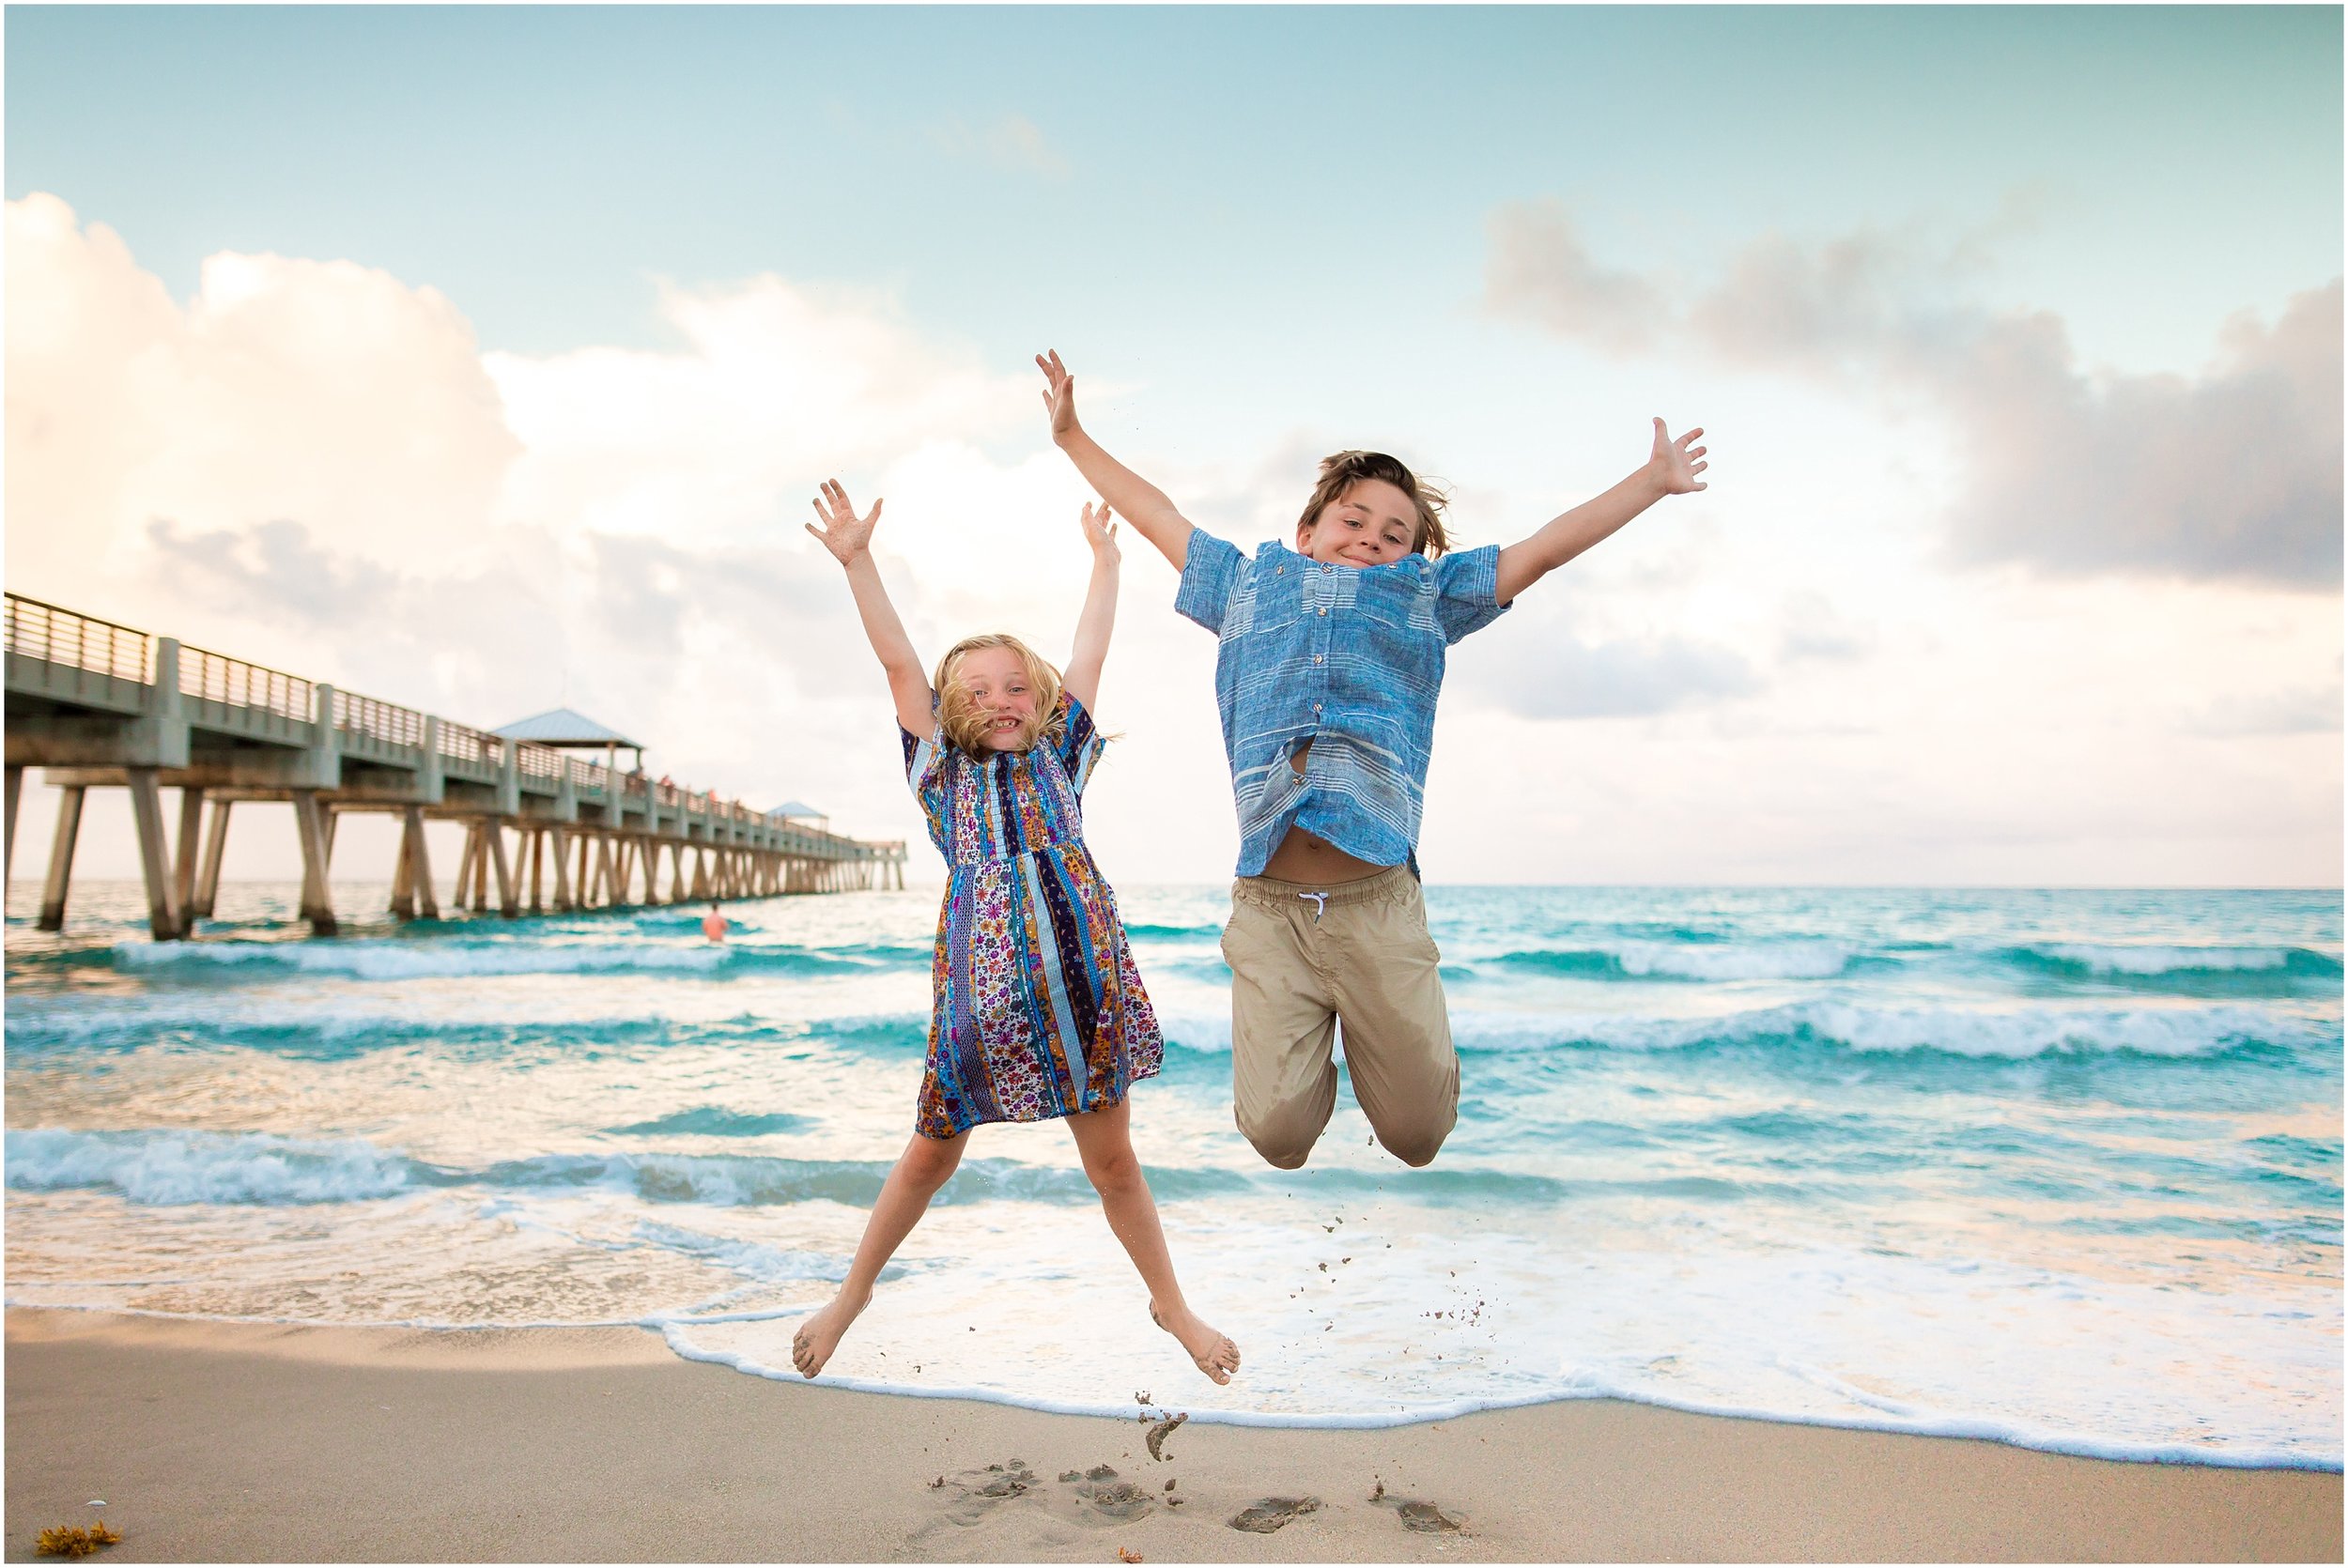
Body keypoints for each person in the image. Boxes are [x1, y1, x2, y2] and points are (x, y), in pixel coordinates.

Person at [1036, 349, 1707, 1172]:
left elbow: (1540, 552)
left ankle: (1387, 1036)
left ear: (1417, 559)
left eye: (1396, 536)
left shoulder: (1427, 598)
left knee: (1418, 1139)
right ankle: (1321, 1036)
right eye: (1353, 520)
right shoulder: (1244, 584)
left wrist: (1648, 483)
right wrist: (1073, 437)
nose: (1370, 540)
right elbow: (1154, 514)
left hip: (1377, 898)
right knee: (1278, 1138)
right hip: (1270, 905)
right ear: (1306, 531)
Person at [788, 477, 1239, 1386]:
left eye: (1015, 684)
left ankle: (1171, 1303)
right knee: (926, 1156)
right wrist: (858, 561)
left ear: (1037, 697)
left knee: (1114, 1162)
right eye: (979, 688)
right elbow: (895, 665)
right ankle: (852, 1293)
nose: (1001, 697)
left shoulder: (1060, 751)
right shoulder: (939, 772)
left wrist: (1106, 562)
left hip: (1083, 990)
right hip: (981, 1004)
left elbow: (1089, 651)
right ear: (952, 705)